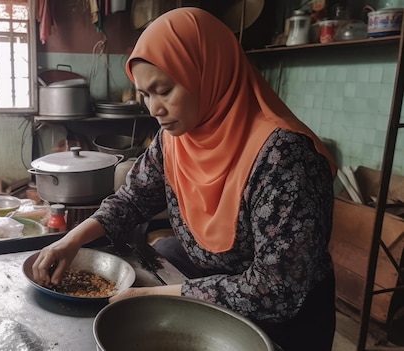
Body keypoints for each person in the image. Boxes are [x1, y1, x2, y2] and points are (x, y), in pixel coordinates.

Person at [31, 7, 338, 351]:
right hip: (206, 292)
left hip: (282, 326)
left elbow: (275, 291)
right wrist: (70, 241)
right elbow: (133, 199)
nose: (154, 109)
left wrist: (154, 295)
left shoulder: (285, 157)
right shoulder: (176, 138)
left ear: (208, 73)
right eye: (145, 94)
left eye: (164, 90)